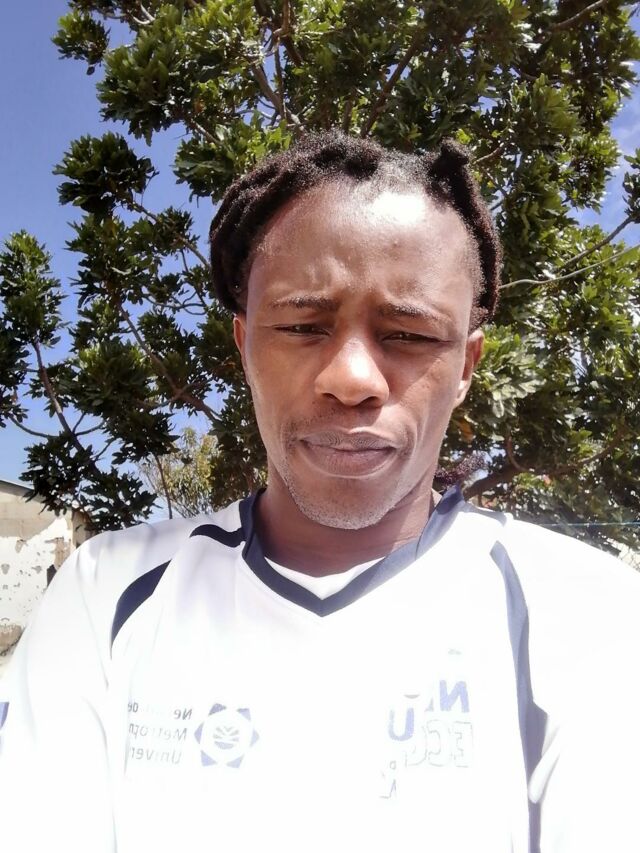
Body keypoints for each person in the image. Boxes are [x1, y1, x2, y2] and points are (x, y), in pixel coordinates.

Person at [1, 131, 639, 853]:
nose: (352, 379)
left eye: (409, 334)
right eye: (303, 326)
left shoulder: (588, 614)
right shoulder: (104, 597)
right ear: (244, 344)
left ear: (466, 366)